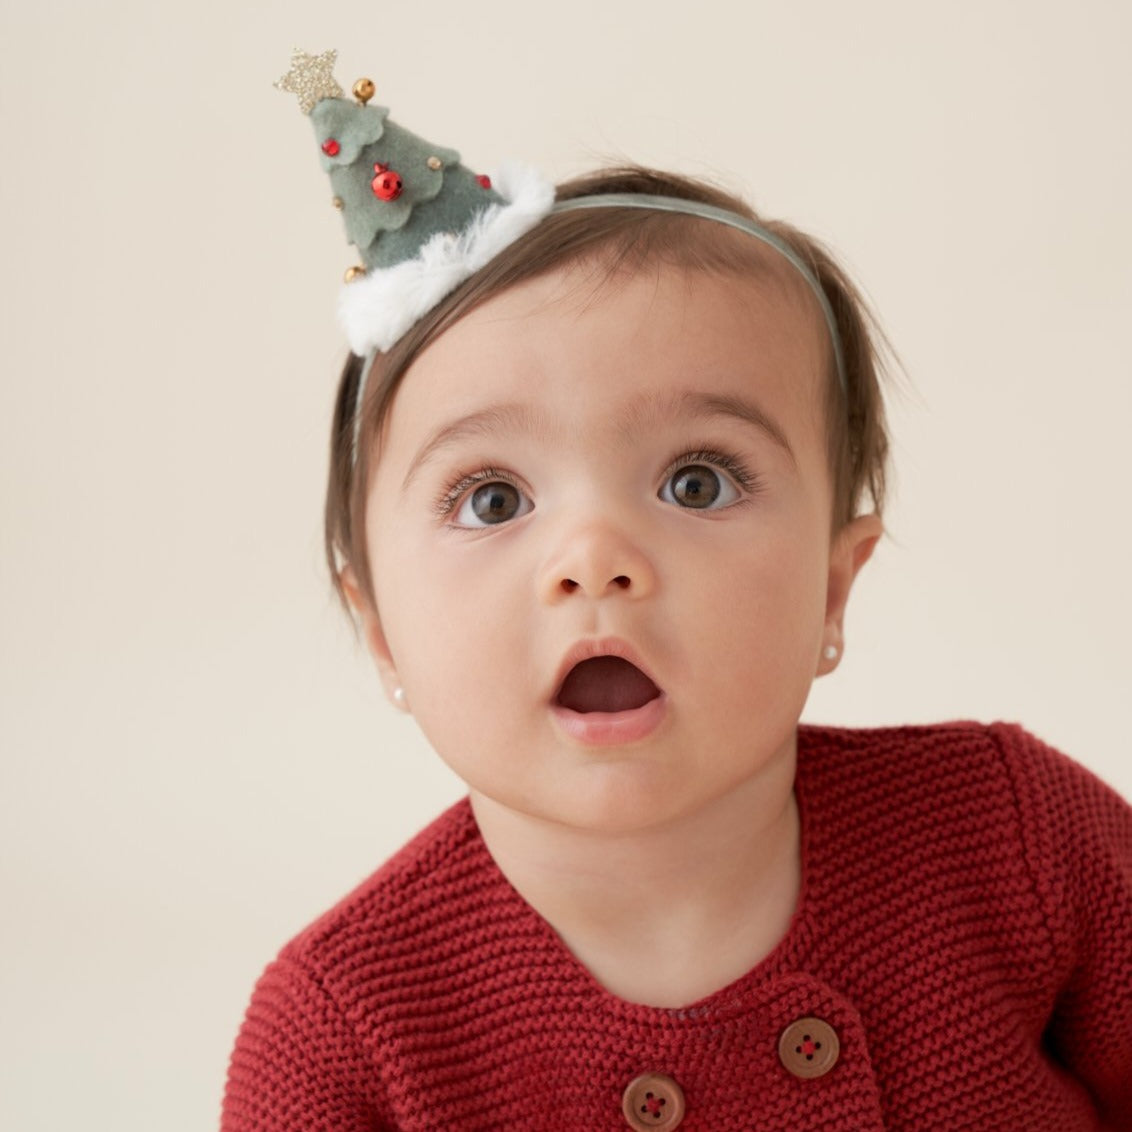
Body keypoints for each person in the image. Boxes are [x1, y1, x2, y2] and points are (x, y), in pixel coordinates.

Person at [221, 51, 1132, 1130]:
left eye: (695, 481)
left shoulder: (1018, 836)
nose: (593, 557)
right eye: (492, 498)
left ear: (835, 588)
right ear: (380, 634)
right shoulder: (342, 1032)